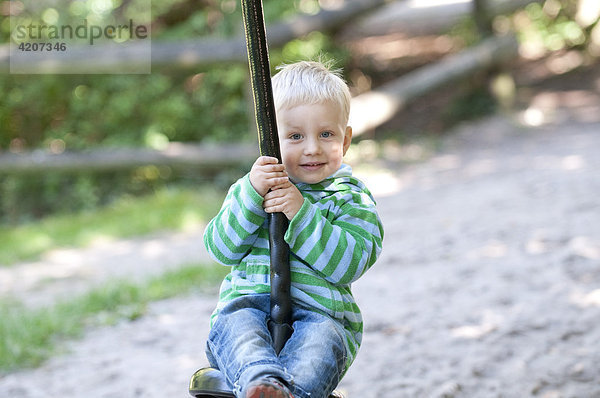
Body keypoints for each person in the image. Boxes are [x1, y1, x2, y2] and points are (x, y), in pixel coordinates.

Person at [203, 60, 384, 398]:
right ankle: (263, 383)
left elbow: (351, 263)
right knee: (236, 327)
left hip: (321, 315)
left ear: (345, 140)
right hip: (248, 306)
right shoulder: (252, 188)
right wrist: (252, 196)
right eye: (296, 136)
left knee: (323, 344)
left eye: (325, 134)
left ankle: (287, 394)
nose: (312, 148)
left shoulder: (350, 197)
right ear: (271, 139)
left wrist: (301, 213)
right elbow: (219, 248)